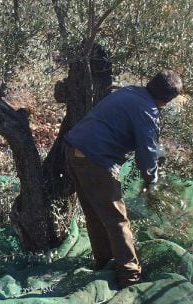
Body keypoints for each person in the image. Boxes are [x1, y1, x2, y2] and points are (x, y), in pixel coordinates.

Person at [64, 69, 183, 288]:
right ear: (166, 101)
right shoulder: (148, 111)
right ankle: (130, 277)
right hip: (96, 161)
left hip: (74, 152)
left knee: (96, 215)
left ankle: (105, 262)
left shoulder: (130, 92)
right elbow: (147, 155)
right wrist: (152, 181)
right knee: (118, 222)